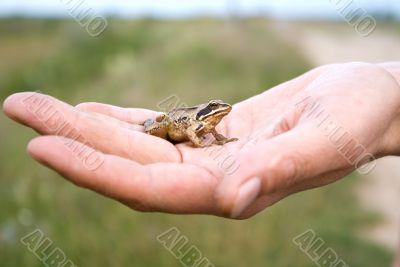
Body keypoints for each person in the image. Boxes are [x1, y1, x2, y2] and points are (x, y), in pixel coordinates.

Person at [3, 62, 400, 263]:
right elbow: (193, 133)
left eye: (220, 111)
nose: (220, 112)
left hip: (184, 124)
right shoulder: (196, 122)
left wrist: (388, 88)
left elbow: (208, 133)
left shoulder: (212, 123)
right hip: (169, 124)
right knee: (150, 127)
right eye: (217, 110)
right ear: (209, 111)